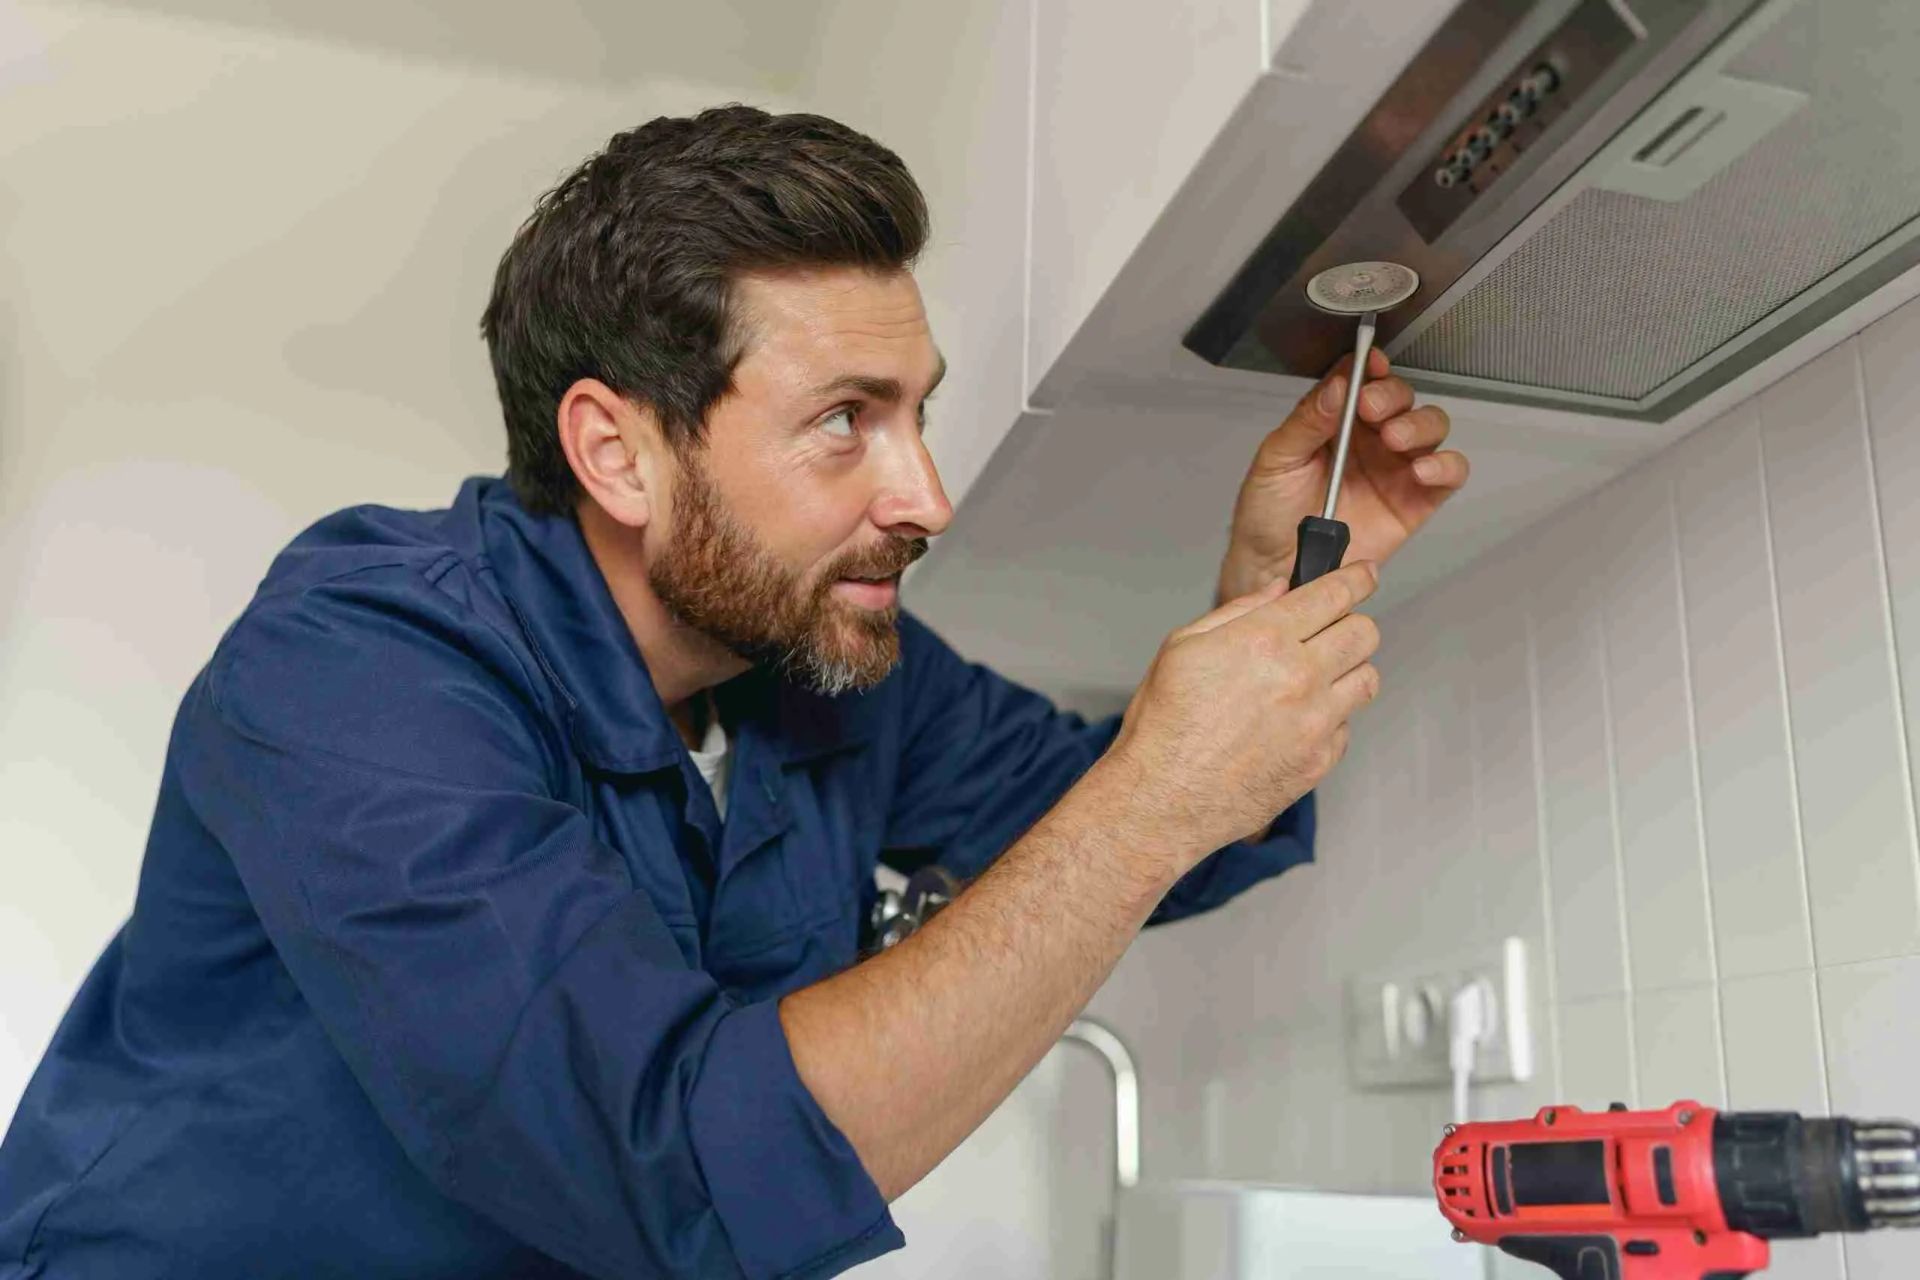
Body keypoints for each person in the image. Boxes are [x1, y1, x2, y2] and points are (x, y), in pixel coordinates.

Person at [0, 105, 1466, 1280]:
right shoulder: (359, 662)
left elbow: (1157, 827)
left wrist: (1269, 594)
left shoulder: (833, 672)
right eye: (846, 422)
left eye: (918, 414)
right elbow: (669, 1171)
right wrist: (1151, 800)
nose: (930, 496)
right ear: (619, 455)